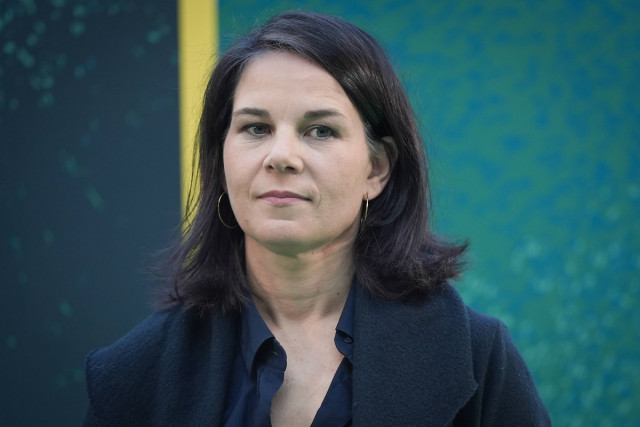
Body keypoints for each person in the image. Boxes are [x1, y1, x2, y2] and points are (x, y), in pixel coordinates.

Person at [83, 11, 551, 426]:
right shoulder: (130, 375)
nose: (281, 156)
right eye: (256, 128)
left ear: (376, 169)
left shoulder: (479, 357)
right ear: (221, 162)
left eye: (320, 131)